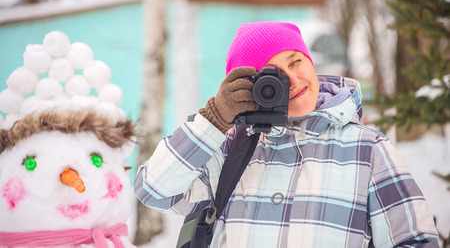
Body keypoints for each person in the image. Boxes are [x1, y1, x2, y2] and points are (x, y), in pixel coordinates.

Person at [134, 21, 440, 247]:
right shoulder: (228, 151)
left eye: (297, 62)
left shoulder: (368, 149)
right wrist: (214, 119)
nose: (293, 79)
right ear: (249, 88)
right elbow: (153, 189)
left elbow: (416, 241)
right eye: (274, 77)